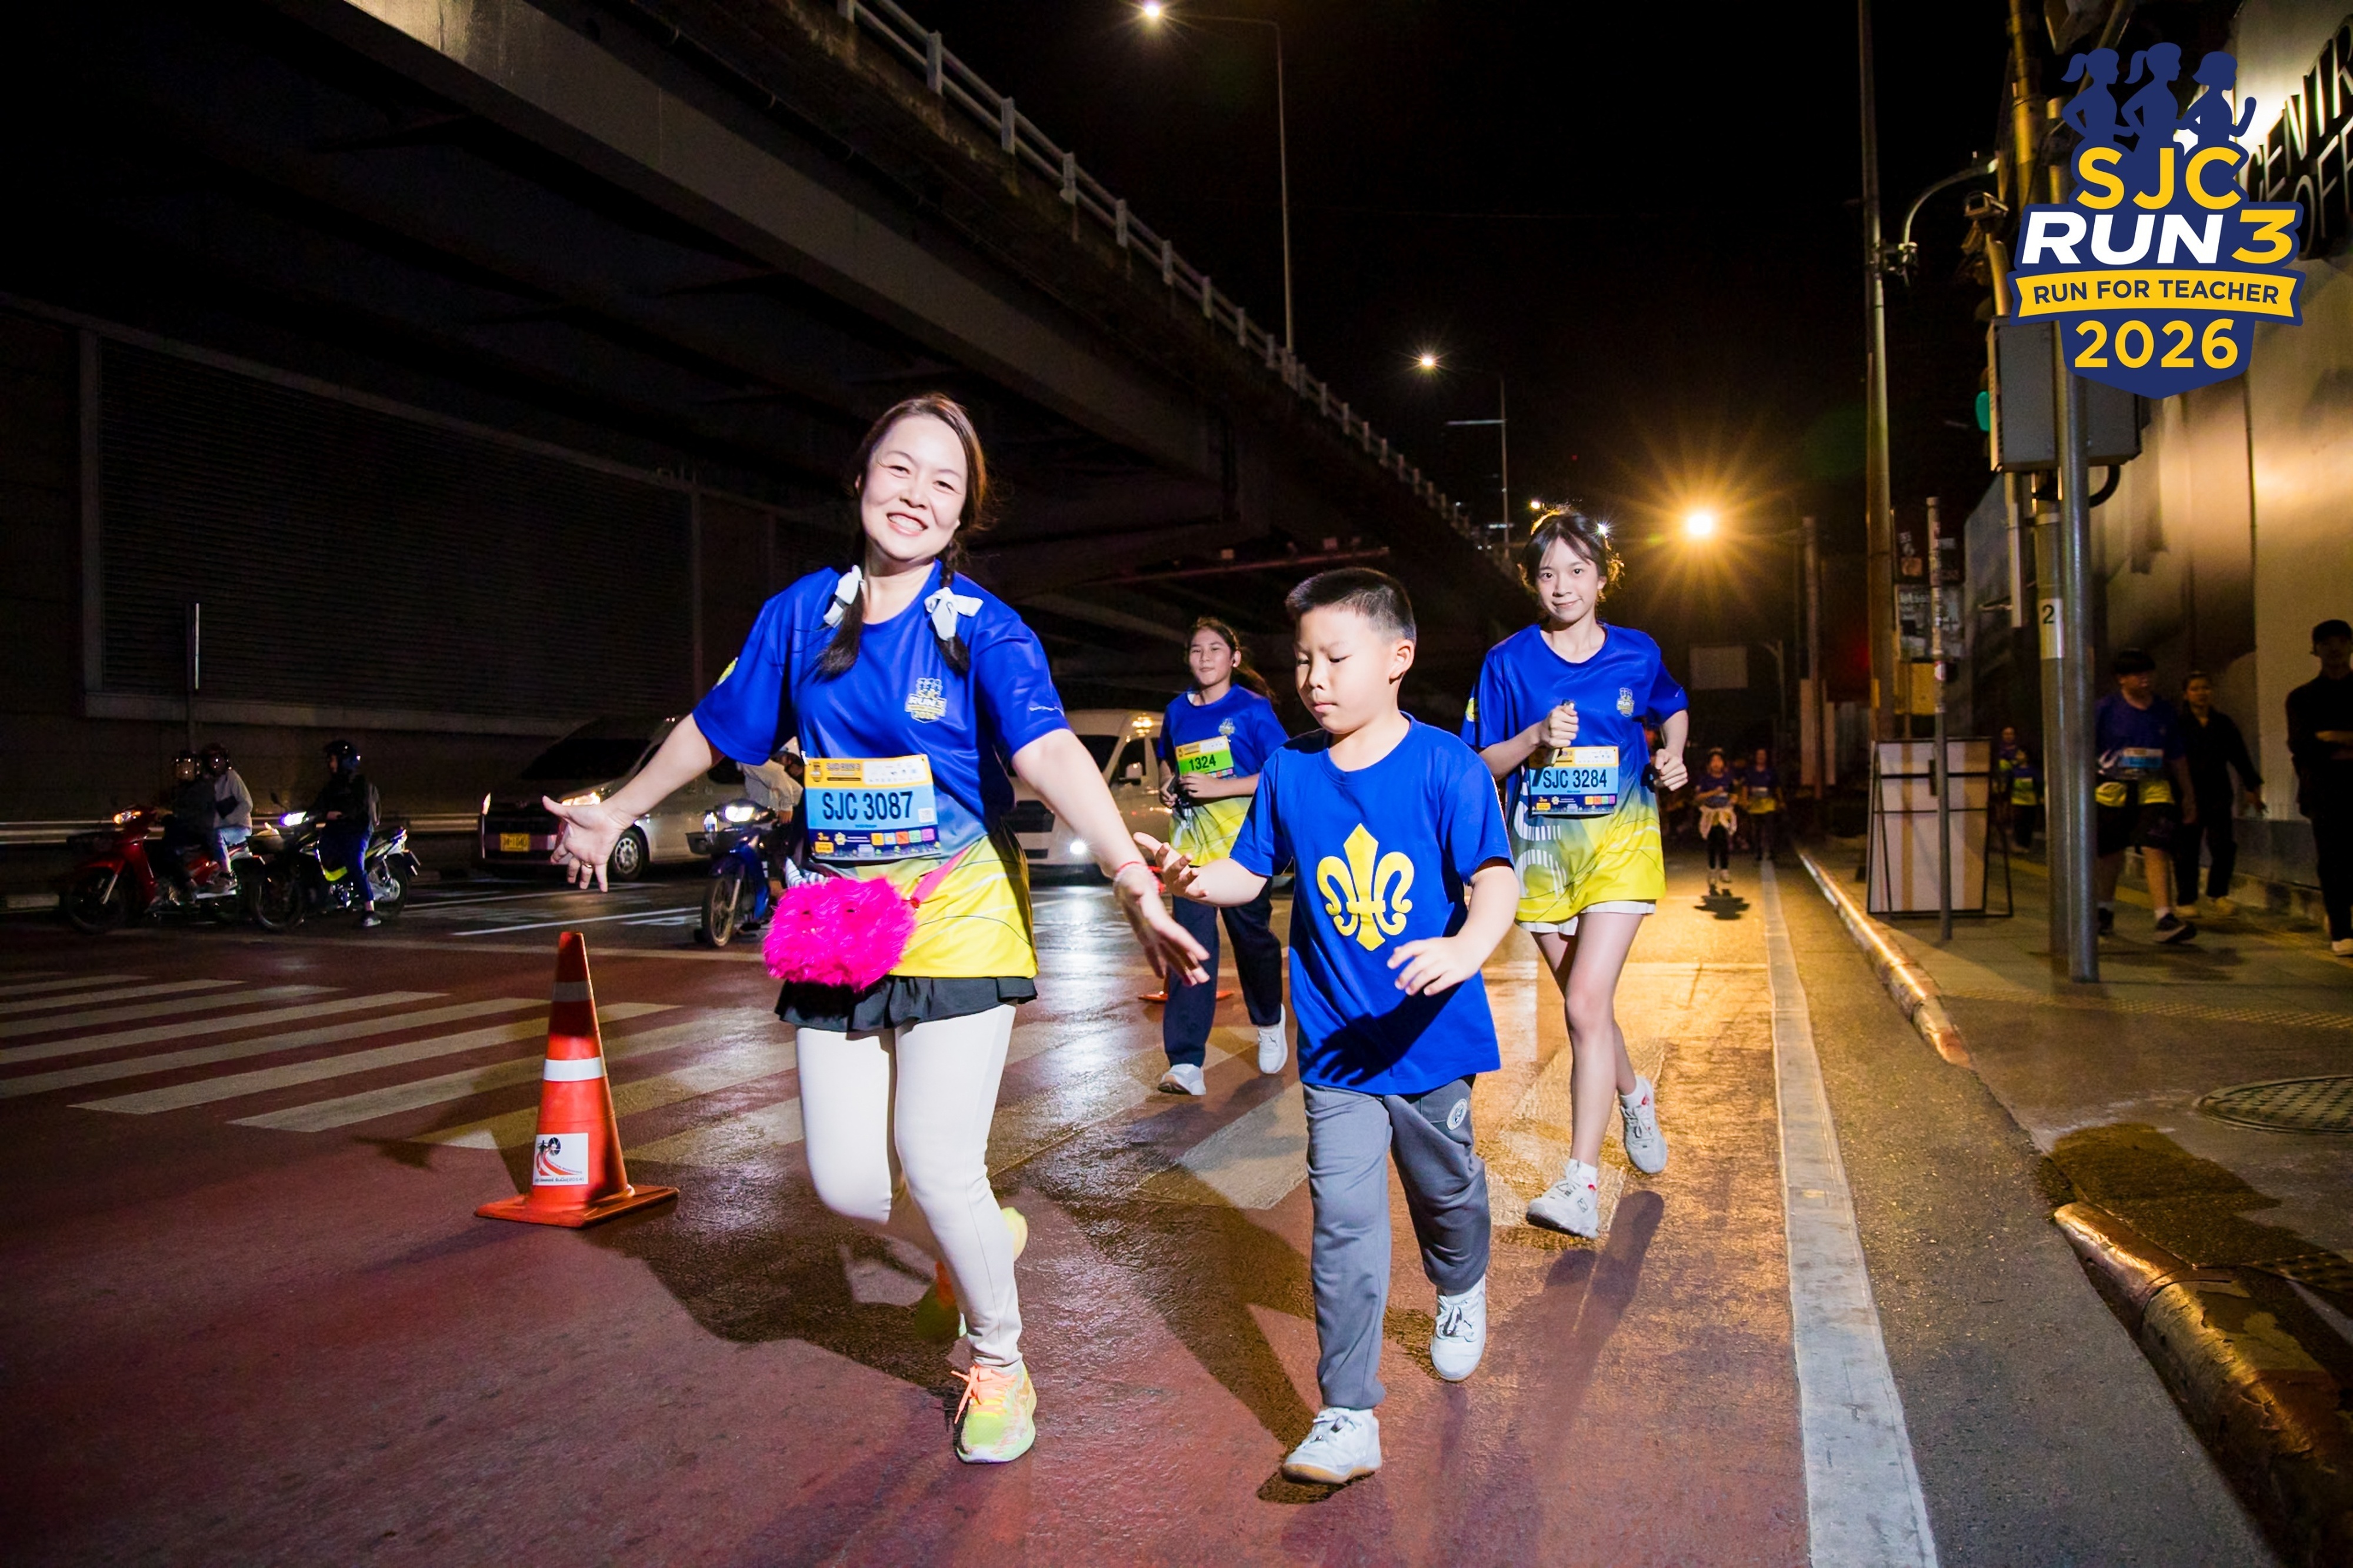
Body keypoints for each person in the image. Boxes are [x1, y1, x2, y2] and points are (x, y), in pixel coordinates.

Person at [542, 395, 1205, 1466]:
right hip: (838, 915)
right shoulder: (800, 615)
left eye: (944, 484)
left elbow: (1046, 750)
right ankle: (977, 1232)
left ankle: (999, 1357)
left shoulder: (983, 627)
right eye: (900, 469)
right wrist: (617, 810)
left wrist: (1130, 874)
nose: (916, 496)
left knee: (936, 1159)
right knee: (848, 1185)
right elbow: (717, 727)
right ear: (860, 481)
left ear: (963, 515)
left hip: (959, 908)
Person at [1139, 568, 1515, 1486]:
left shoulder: (1448, 766)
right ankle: (1347, 1412)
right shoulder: (1291, 769)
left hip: (1430, 1038)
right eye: (1304, 659)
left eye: (1336, 658)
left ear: (1397, 657)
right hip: (1338, 1047)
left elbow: (1495, 876)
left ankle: (1460, 1283)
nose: (1314, 677)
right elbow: (1251, 871)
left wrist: (1468, 946)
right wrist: (1195, 880)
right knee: (1343, 1223)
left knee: (1446, 1193)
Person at [1459, 510, 1690, 1240]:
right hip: (1540, 854)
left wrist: (1673, 754)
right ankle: (1634, 1093)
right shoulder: (1507, 661)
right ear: (1532, 581)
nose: (1561, 586)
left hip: (1621, 842)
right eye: (1547, 573)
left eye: (1577, 570)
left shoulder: (1637, 651)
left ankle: (1580, 1183)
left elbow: (1673, 706)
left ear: (1601, 575)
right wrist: (1532, 738)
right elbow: (1478, 764)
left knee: (1585, 1003)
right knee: (1588, 1007)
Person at [1153, 616, 1292, 1094]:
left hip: (1241, 851)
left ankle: (1269, 1020)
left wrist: (1220, 788)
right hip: (1189, 849)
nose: (1205, 658)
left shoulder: (1253, 710)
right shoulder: (1177, 710)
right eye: (1197, 650)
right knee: (1190, 947)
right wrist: (1168, 784)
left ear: (1234, 658)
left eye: (1215, 649)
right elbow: (1169, 759)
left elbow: (1280, 772)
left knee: (1252, 941)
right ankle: (1185, 1062)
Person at [2093, 649, 2196, 943]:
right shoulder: (2105, 709)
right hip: (2113, 789)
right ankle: (2104, 910)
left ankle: (2164, 917)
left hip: (2154, 787)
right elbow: (2086, 748)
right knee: (2111, 852)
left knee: (2156, 846)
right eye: (2137, 674)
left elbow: (2176, 755)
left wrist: (2188, 795)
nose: (2145, 679)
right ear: (2121, 679)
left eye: (2149, 673)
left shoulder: (2164, 710)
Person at [2286, 619, 2353, 957]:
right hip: (2323, 790)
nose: (2335, 648)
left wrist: (2332, 737)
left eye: (2341, 640)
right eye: (2327, 643)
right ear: (2315, 650)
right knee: (2332, 859)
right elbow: (2302, 745)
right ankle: (2341, 930)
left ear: (2351, 645)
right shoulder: (2302, 698)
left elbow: (2316, 744)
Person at [2176, 671, 2264, 916]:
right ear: (2186, 695)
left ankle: (2218, 893)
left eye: (2205, 688)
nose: (2201, 693)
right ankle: (2186, 899)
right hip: (2187, 794)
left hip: (2218, 792)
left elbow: (2239, 755)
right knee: (2187, 848)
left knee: (2223, 845)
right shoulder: (2178, 725)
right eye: (2195, 689)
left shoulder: (2223, 723)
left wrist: (2251, 786)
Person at [310, 739, 381, 928]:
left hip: (357, 830)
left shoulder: (360, 783)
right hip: (337, 829)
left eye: (333, 759)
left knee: (354, 862)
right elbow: (319, 804)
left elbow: (360, 807)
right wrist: (307, 815)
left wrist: (344, 814)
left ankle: (370, 909)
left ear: (345, 760)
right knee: (318, 854)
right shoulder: (332, 785)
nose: (330, 763)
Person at [156, 750, 216, 902]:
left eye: (187, 766)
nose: (183, 770)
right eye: (180, 767)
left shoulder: (202, 787)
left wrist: (172, 814)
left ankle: (189, 883)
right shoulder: (181, 789)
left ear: (196, 768)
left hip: (198, 831)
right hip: (185, 828)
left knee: (167, 850)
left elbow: (191, 811)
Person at [201, 742, 252, 891]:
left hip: (240, 828)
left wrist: (228, 820)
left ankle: (227, 874)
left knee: (218, 836)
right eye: (212, 762)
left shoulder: (231, 777)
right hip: (219, 828)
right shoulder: (208, 783)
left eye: (218, 761)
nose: (215, 765)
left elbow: (247, 804)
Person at [1695, 751, 1738, 896]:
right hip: (1710, 815)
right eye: (1713, 761)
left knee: (1724, 841)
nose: (1716, 763)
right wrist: (1714, 792)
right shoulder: (1705, 779)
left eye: (1719, 760)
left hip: (1724, 814)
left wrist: (1733, 800)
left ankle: (1725, 870)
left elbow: (1734, 794)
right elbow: (1698, 797)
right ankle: (1712, 870)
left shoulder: (1728, 778)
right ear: (1709, 764)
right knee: (1712, 842)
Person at [1996, 726, 2044, 850]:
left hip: (2030, 802)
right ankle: (2016, 843)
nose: (2008, 736)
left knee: (2027, 823)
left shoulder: (2031, 770)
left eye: (2011, 734)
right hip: (2014, 800)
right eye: (2006, 734)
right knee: (2015, 822)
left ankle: (2025, 845)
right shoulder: (1999, 752)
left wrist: (2040, 797)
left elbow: (2039, 784)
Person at [1743, 745, 1783, 863]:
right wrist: (1745, 801)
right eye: (1759, 755)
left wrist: (1781, 801)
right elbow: (1746, 787)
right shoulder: (1750, 772)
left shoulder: (1771, 772)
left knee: (1770, 828)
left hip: (1768, 803)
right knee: (1756, 830)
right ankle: (1758, 852)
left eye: (1763, 755)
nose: (1761, 757)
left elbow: (1777, 787)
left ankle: (1772, 852)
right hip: (1755, 804)